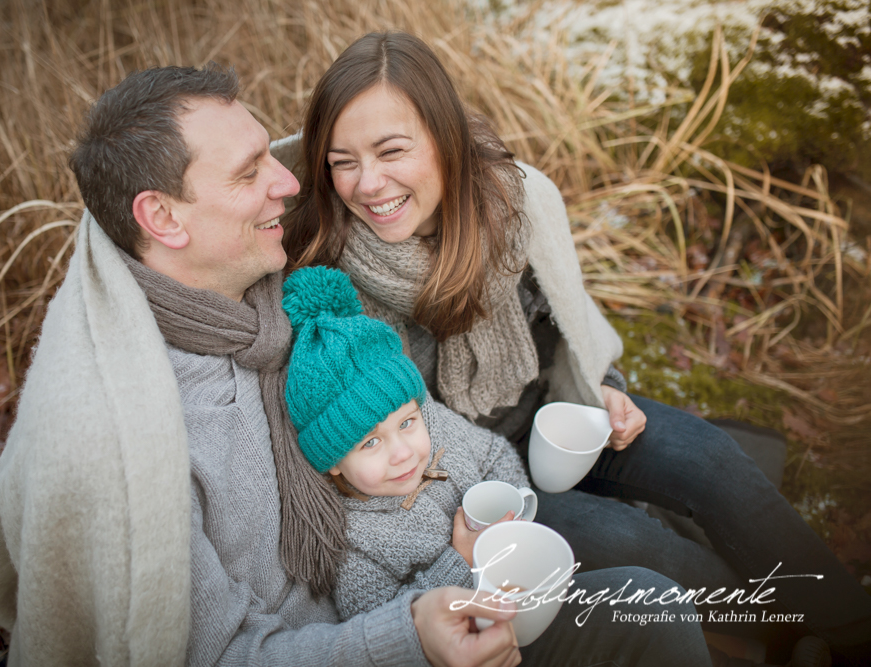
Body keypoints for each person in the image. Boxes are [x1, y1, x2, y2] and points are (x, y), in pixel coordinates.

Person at [0, 63, 710, 667]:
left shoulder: (279, 293)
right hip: (361, 640)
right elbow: (219, 654)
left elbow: (410, 395)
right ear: (162, 217)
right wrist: (410, 635)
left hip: (435, 567)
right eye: (253, 170)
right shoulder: (133, 440)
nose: (288, 183)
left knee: (652, 600)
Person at [280, 30, 871, 666]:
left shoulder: (507, 200)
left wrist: (605, 391)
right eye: (343, 161)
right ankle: (779, 633)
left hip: (547, 419)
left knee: (708, 456)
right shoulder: (326, 272)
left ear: (444, 140)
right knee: (627, 540)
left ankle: (850, 629)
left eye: (392, 150)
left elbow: (564, 320)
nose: (368, 183)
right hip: (462, 479)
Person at [281, 264, 710, 647]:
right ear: (333, 460)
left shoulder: (437, 427)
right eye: (369, 443)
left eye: (407, 422)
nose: (402, 453)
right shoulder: (357, 545)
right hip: (483, 641)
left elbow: (494, 451)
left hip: (524, 585)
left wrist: (511, 504)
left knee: (653, 590)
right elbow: (386, 628)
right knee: (644, 602)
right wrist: (460, 560)